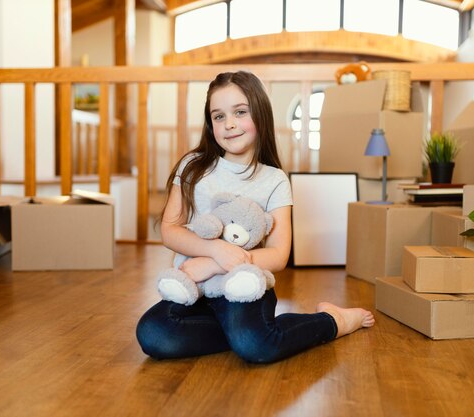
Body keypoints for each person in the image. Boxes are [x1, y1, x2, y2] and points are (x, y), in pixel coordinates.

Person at [136, 71, 374, 364]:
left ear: (260, 114)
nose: (230, 124)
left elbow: (278, 255)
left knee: (254, 346)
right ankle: (247, 334)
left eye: (240, 112)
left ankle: (332, 321)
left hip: (245, 287)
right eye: (219, 116)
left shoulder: (274, 180)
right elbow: (170, 230)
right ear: (210, 125)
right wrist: (213, 247)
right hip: (193, 288)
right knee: (152, 333)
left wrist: (213, 262)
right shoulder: (193, 167)